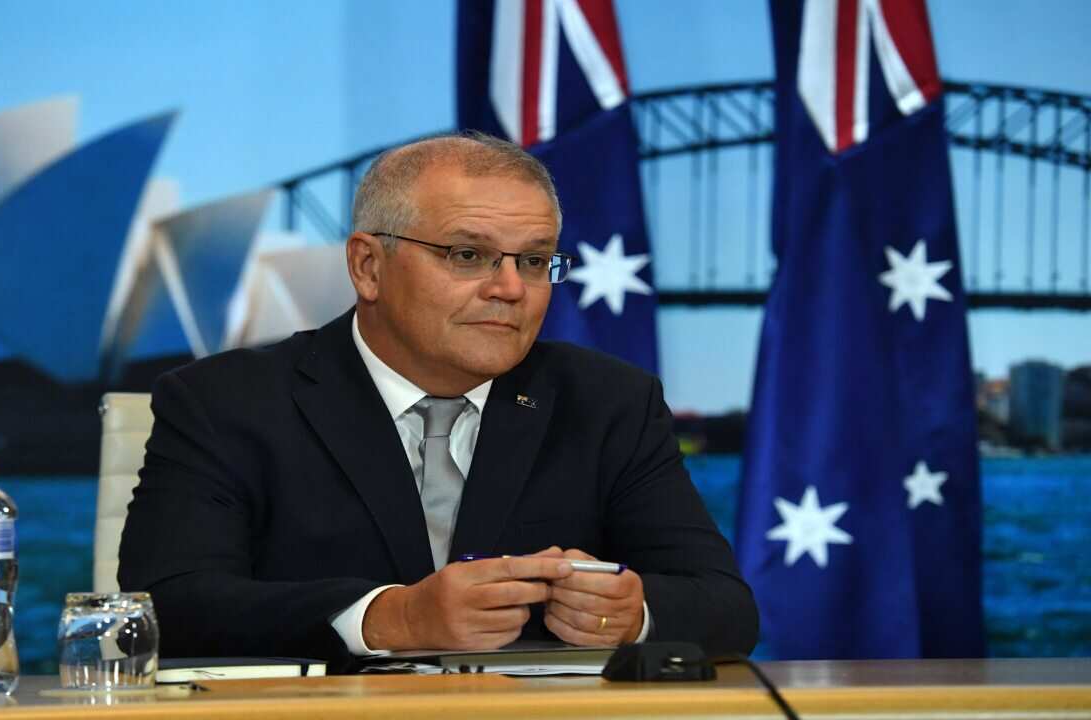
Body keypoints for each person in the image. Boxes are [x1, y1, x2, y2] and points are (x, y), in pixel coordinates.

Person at [119, 133, 758, 669]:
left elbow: (727, 606)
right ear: (368, 267)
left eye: (535, 261)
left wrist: (632, 612)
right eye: (468, 254)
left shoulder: (610, 401)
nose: (510, 288)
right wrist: (392, 618)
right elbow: (166, 607)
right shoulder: (224, 401)